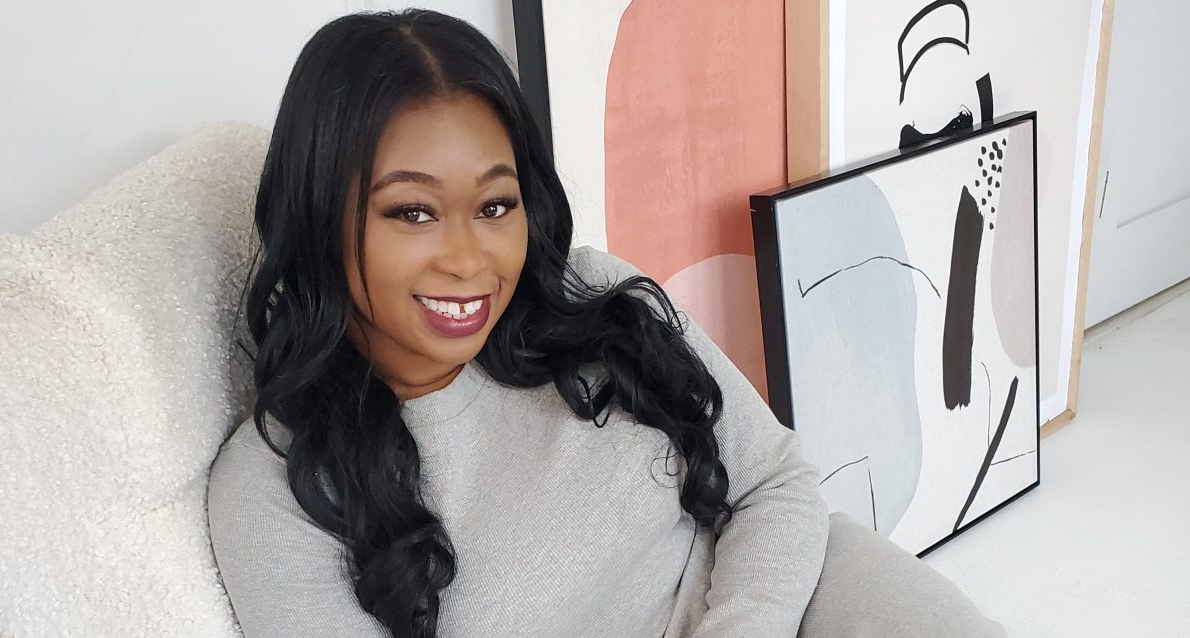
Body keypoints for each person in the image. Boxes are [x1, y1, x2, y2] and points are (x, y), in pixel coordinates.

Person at [207, 9, 1005, 638]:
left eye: (496, 205)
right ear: (319, 215)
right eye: (411, 212)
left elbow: (775, 484)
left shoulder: (593, 294)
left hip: (797, 603)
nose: (468, 258)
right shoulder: (278, 483)